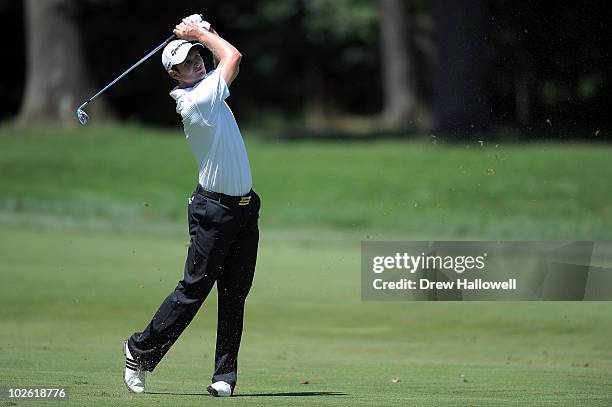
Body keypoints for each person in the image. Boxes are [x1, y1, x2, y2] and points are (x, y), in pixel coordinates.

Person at [123, 14, 260, 398]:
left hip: (245, 210)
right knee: (193, 291)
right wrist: (202, 33)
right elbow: (232, 58)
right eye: (185, 63)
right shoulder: (197, 101)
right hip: (213, 213)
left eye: (196, 56)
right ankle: (139, 350)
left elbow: (220, 60)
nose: (196, 63)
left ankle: (223, 377)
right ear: (174, 75)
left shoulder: (207, 88)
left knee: (235, 293)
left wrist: (206, 33)